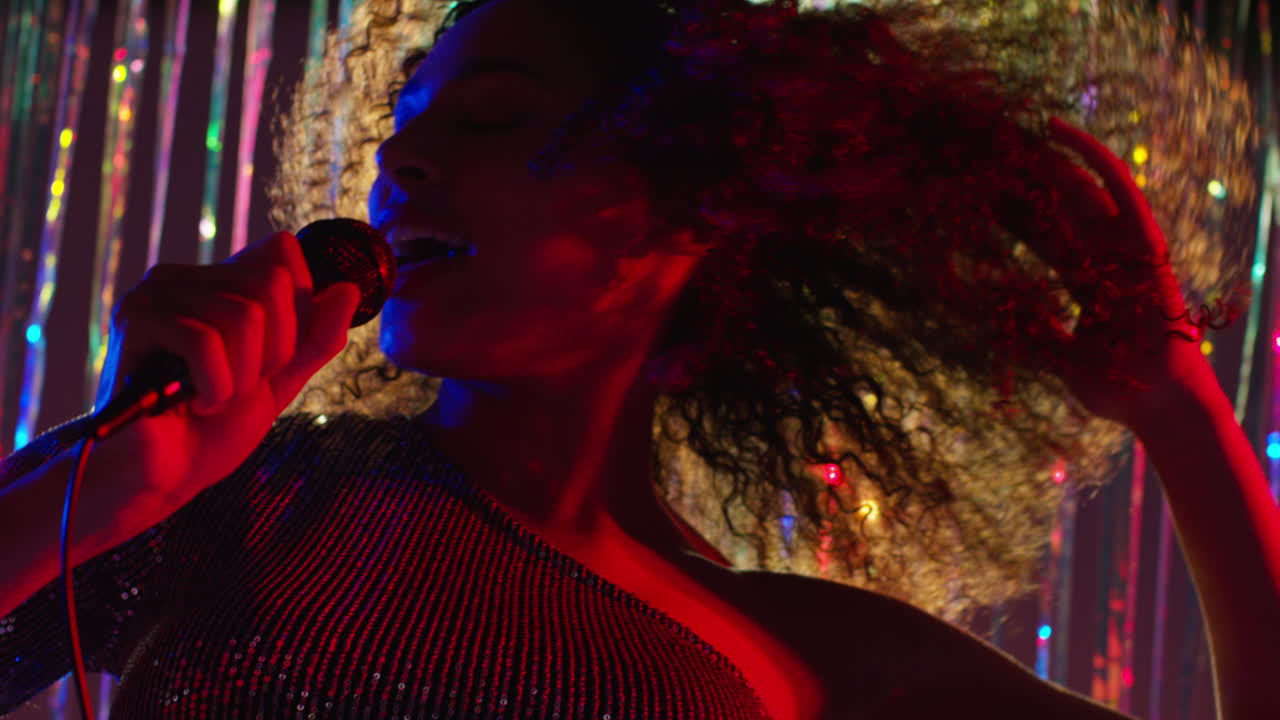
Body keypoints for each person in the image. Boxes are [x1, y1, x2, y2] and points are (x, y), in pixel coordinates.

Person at [1, 0, 1276, 718]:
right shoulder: (232, 497)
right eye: (403, 126)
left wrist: (1179, 411)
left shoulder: (800, 657)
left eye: (494, 114)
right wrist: (107, 495)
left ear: (690, 205)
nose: (394, 164)